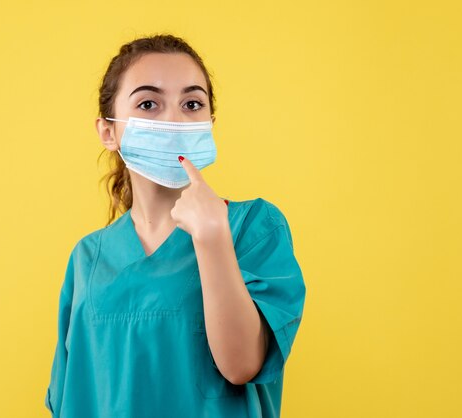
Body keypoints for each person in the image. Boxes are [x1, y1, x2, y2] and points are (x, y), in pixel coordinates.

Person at [45, 33, 306, 418]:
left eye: (192, 104)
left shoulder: (252, 228)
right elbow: (73, 395)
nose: (173, 120)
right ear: (108, 131)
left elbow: (242, 364)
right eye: (149, 104)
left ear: (209, 122)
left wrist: (212, 237)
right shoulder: (88, 256)